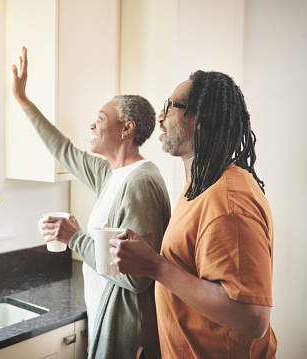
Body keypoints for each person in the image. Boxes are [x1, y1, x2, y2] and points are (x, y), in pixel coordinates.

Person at [12, 47, 171, 359]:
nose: (92, 126)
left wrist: (74, 237)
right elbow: (63, 150)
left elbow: (137, 277)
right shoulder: (110, 173)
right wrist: (23, 100)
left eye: (100, 119)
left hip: (128, 334)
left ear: (127, 129)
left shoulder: (140, 183)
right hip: (102, 317)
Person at [110, 70, 277, 358]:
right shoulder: (200, 185)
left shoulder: (228, 201)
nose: (160, 118)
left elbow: (253, 318)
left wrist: (155, 266)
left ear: (202, 118)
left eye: (170, 107)